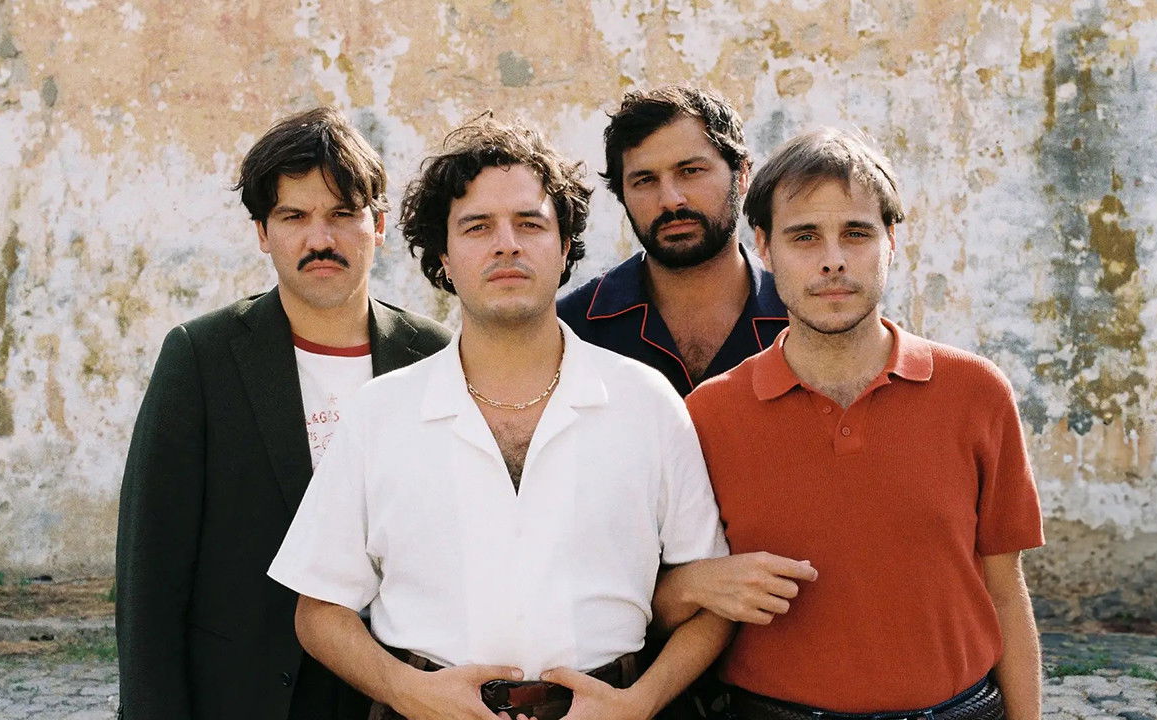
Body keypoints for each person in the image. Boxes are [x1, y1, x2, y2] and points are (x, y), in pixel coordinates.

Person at [266, 117, 733, 720]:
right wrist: (405, 691)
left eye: (530, 223)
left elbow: (711, 598)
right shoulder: (379, 415)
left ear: (564, 247)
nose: (506, 244)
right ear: (444, 255)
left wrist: (639, 703)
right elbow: (318, 612)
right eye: (477, 226)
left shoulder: (646, 403)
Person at [662, 127, 1044, 720]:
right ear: (763, 247)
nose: (833, 259)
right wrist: (693, 584)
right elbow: (660, 602)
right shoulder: (707, 415)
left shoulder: (977, 393)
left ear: (891, 241)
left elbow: (1006, 591)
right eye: (804, 236)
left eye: (856, 233)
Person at [115, 107, 452, 720]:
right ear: (263, 233)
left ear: (378, 225)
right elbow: (150, 574)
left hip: (400, 694)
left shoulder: (433, 355)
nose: (320, 239)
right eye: (294, 217)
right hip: (250, 694)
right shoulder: (202, 358)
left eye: (342, 214)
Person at [558, 85, 786, 396]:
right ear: (622, 194)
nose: (670, 200)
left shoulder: (799, 315)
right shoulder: (571, 332)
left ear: (742, 173)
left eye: (691, 171)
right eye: (645, 180)